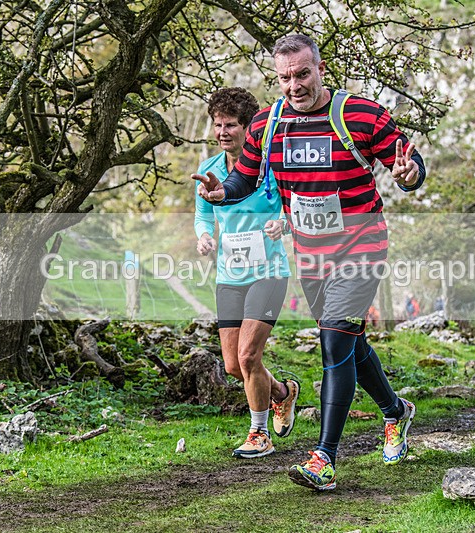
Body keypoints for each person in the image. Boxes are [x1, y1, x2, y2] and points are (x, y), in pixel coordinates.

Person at [193, 34, 425, 490]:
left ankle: (324, 458)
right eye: (284, 78)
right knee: (349, 341)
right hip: (311, 254)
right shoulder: (267, 124)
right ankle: (396, 411)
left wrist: (410, 174)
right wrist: (223, 193)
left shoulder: (360, 114)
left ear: (320, 69)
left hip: (361, 245)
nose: (294, 85)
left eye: (302, 74)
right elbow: (245, 178)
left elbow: (407, 162)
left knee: (333, 340)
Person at [193, 87, 300, 457]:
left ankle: (259, 434)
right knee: (232, 365)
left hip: (268, 272)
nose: (223, 132)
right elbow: (203, 215)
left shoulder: (271, 166)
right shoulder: (209, 170)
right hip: (229, 275)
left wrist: (283, 224)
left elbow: (296, 205)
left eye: (231, 125)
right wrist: (204, 236)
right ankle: (282, 393)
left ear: (248, 127)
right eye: (218, 125)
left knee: (249, 356)